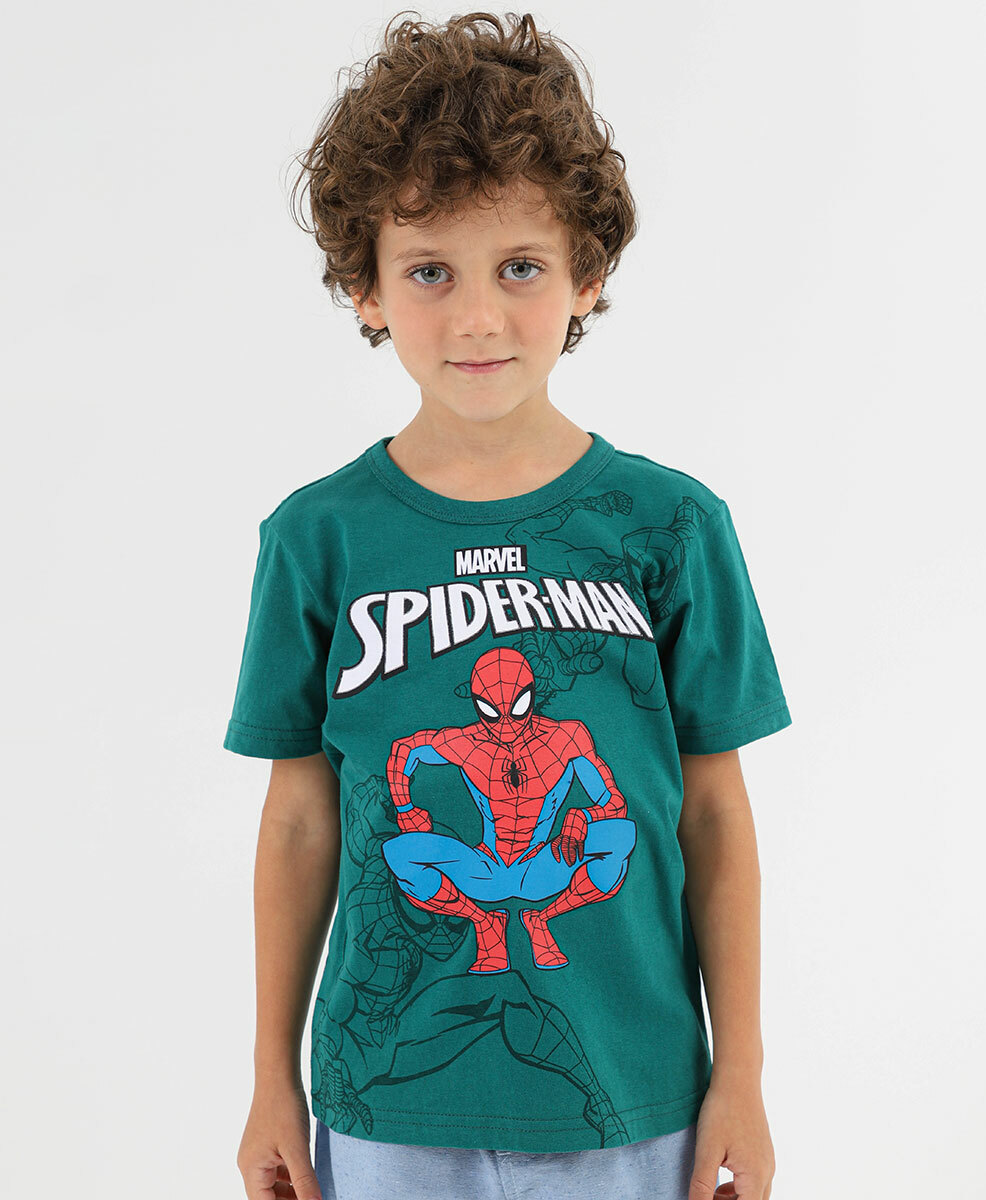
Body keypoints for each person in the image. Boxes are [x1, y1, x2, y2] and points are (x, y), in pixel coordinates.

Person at [226, 11, 791, 1200]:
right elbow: (299, 823)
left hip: (629, 1097)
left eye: (519, 267)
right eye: (430, 271)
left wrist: (738, 1074)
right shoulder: (318, 539)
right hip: (385, 1101)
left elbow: (710, 815)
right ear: (365, 287)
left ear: (587, 273)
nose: (477, 317)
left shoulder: (671, 528)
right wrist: (271, 1079)